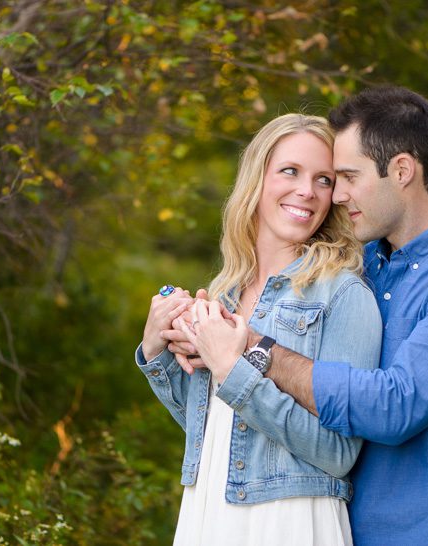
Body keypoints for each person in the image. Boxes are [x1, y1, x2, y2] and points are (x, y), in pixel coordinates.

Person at [168, 86, 428, 545]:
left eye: (347, 177)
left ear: (402, 170)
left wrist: (253, 348)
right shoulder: (365, 266)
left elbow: (396, 405)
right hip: (335, 530)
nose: (336, 195)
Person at [136, 113, 382, 546]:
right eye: (290, 171)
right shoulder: (225, 293)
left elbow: (338, 453)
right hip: (209, 512)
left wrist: (234, 370)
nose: (306, 191)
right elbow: (214, 431)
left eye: (323, 180)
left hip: (290, 521)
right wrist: (157, 351)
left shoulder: (343, 294)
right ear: (257, 177)